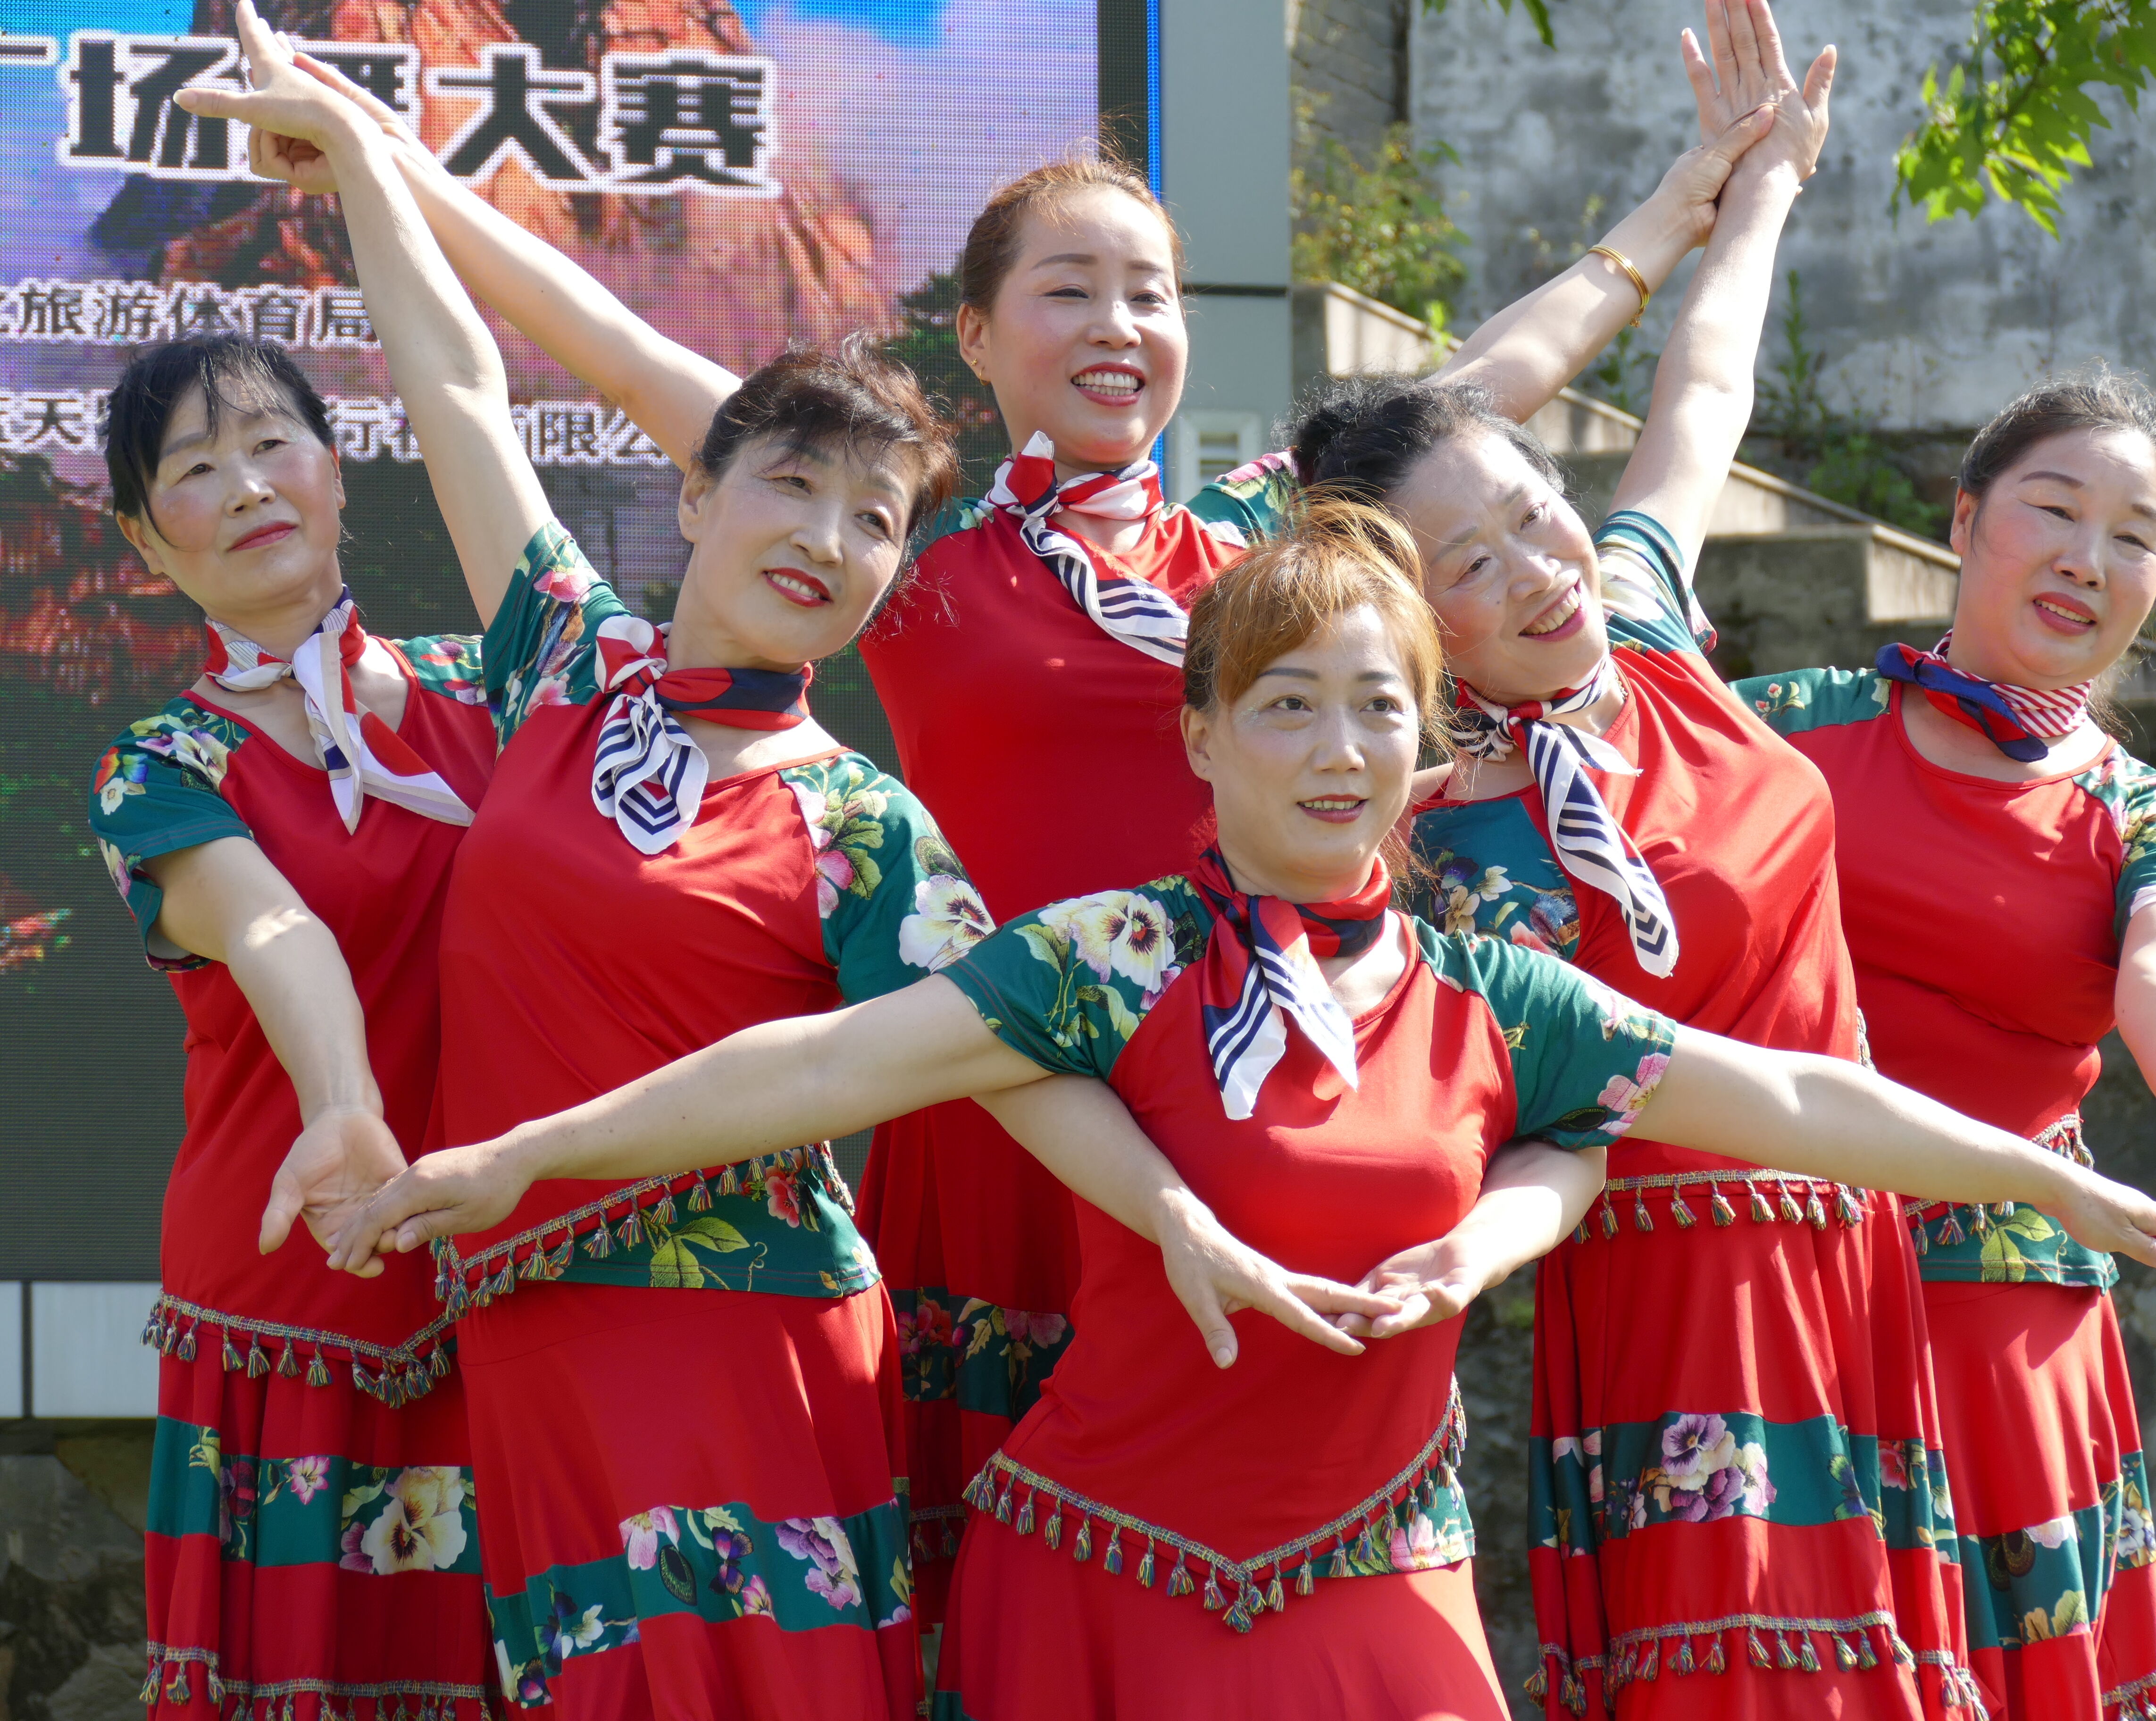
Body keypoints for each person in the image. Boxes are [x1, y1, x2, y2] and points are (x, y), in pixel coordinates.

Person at [275, 39, 1787, 1613]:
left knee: (1255, 1553)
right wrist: (397, 169)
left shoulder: (1256, 552)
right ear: (978, 337)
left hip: (1238, 1100)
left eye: (1152, 294)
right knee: (987, 1589)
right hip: (1001, 1109)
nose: (1119, 325)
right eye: (1071, 290)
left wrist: (1687, 203)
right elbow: (610, 348)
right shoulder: (906, 556)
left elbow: (1482, 385)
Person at [326, 502, 2156, 1721]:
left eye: (1376, 708)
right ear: (1203, 738)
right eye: (1287, 706)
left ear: (1425, 746)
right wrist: (518, 1157)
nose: (1336, 747)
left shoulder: (1496, 996)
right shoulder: (1108, 956)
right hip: (1097, 1587)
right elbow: (813, 1071)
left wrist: (2049, 1183)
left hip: (1377, 1584)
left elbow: (1785, 1091)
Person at [177, 16, 1386, 1717]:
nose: (827, 538)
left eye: (876, 521)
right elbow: (454, 382)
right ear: (701, 494)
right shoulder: (559, 670)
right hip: (526, 1325)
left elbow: (1004, 1053)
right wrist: (365, 157)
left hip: (755, 1335)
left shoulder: (862, 824)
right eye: (795, 487)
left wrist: (1177, 1214)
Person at [1291, 4, 1993, 1713]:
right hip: (1660, 1272)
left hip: (1849, 1225)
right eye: (1469, 567)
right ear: (1413, 621)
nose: (1538, 570)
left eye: (1533, 513)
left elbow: (1705, 387)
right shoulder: (1422, 832)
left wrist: (1759, 189)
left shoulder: (1651, 635)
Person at [1730, 369, 2156, 1721]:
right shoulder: (1780, 730)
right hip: (1765, 1287)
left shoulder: (2141, 816)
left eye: (2136, 537)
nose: (2090, 559)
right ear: (1967, 519)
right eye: (2055, 509)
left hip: (1992, 1324)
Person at [87, 343, 497, 1713]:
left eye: (272, 444)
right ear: (147, 540)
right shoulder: (158, 767)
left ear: (337, 465)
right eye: (197, 470)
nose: (250, 486)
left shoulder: (498, 697)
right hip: (294, 1278)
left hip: (508, 1258)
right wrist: (345, 1106)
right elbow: (273, 929)